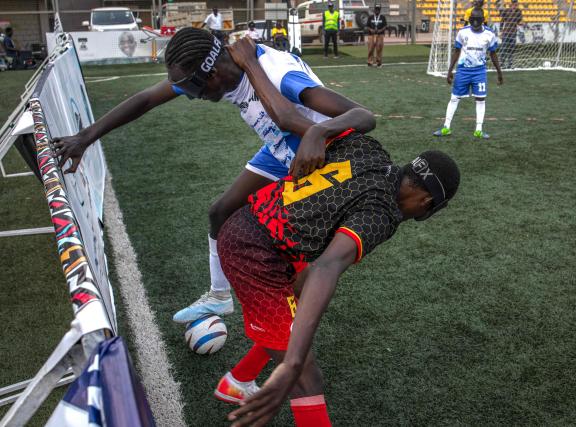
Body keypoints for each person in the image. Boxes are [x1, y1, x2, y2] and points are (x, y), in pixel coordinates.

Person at [209, 44, 461, 425]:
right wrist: (293, 361)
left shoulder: (369, 151)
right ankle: (260, 373)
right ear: (425, 201)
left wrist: (318, 130)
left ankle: (238, 378)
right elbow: (329, 265)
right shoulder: (383, 216)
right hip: (253, 251)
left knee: (299, 297)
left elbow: (357, 116)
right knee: (306, 376)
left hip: (263, 227)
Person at [53, 30, 374, 323]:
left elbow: (363, 116)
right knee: (221, 211)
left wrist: (320, 131)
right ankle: (220, 297)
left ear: (214, 74)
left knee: (281, 250)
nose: (191, 97)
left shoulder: (277, 74)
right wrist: (85, 136)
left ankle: (284, 333)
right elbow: (146, 99)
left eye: (193, 89)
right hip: (280, 147)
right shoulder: (219, 69)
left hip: (324, 161)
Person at [433, 8, 503, 139]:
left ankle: (479, 129)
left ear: (483, 20)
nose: (475, 21)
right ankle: (446, 127)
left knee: (481, 99)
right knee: (454, 98)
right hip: (463, 71)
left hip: (480, 72)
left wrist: (500, 72)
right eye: (473, 19)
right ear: (470, 19)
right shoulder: (462, 32)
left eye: (478, 19)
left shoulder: (490, 34)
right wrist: (449, 71)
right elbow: (457, 51)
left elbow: (493, 54)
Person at [498, 0, 522, 69]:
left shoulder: (518, 11)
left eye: (516, 4)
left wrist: (521, 23)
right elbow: (502, 21)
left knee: (511, 48)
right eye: (514, 4)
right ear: (511, 4)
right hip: (506, 32)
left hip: (513, 32)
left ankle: (510, 64)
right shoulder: (506, 10)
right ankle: (502, 63)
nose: (515, 5)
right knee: (504, 48)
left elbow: (519, 21)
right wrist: (500, 31)